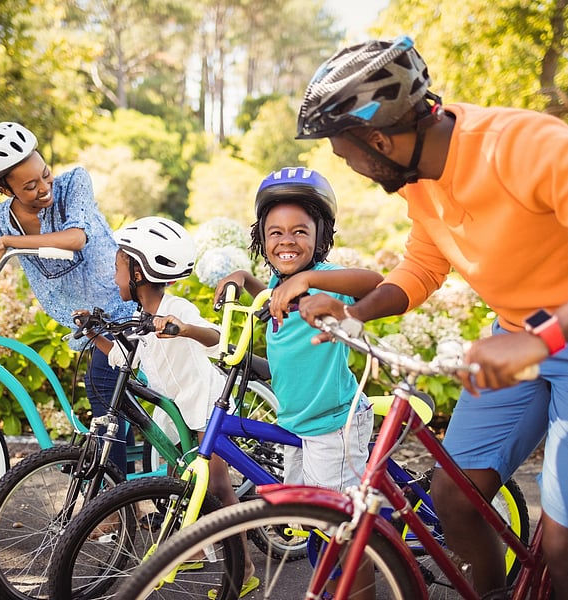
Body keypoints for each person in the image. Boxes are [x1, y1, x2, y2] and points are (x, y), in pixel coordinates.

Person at [291, 35, 568, 599]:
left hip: (545, 340)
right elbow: (422, 263)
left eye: (348, 155)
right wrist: (356, 312)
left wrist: (541, 339)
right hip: (515, 340)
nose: (353, 168)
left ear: (379, 138)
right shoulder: (419, 180)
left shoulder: (529, 147)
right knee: (453, 497)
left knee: (563, 548)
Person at [214, 167, 383, 598]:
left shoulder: (329, 282)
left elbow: (373, 283)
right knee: (310, 516)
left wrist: (311, 278)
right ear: (261, 238)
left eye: (299, 231)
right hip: (298, 427)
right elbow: (272, 295)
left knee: (343, 529)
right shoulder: (278, 283)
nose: (286, 240)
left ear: (320, 235)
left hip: (333, 426)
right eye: (275, 232)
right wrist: (243, 279)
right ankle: (330, 579)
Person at [76, 216, 259, 597]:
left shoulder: (178, 306)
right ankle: (193, 547)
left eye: (118, 268)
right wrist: (95, 333)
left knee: (220, 489)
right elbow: (128, 360)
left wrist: (182, 328)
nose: (114, 277)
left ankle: (245, 572)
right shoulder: (141, 319)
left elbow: (214, 338)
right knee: (182, 484)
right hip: (175, 415)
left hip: (204, 408)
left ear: (139, 273)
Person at [0, 121, 137, 473]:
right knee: (111, 398)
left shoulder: (73, 184)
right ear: (4, 189)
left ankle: (117, 501)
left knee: (102, 387)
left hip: (125, 305)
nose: (44, 188)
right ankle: (128, 489)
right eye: (29, 186)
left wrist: (9, 243)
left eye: (44, 174)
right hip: (91, 323)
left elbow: (76, 238)